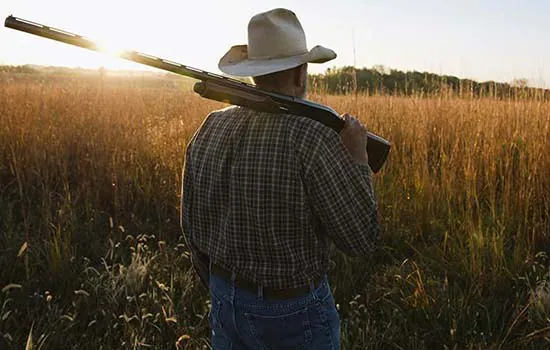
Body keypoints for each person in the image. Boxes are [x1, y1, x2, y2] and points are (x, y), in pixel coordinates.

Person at [180, 8, 380, 350]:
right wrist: (358, 159)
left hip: (225, 300)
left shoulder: (211, 126)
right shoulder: (314, 136)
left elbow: (191, 226)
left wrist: (222, 286)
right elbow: (361, 239)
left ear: (254, 72)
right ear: (302, 73)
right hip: (294, 314)